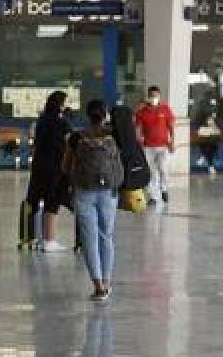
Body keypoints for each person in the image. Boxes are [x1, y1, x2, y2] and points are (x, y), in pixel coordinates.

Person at [65, 100, 124, 302]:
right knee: (106, 235)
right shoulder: (114, 135)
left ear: (87, 115)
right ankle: (107, 282)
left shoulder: (76, 137)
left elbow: (65, 166)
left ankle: (98, 286)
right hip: (109, 191)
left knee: (89, 239)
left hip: (84, 191)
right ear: (105, 115)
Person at [26, 92, 73, 252]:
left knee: (38, 200)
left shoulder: (42, 120)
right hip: (55, 168)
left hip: (39, 167)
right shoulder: (61, 123)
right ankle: (49, 240)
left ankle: (36, 239)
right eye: (65, 103)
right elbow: (69, 143)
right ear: (60, 105)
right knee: (53, 202)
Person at [135, 85, 176, 204]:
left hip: (163, 146)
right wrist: (139, 142)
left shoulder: (165, 109)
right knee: (151, 171)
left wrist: (172, 141)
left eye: (156, 96)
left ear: (160, 96)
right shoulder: (142, 112)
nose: (154, 98)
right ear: (148, 97)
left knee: (163, 169)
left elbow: (171, 127)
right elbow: (138, 128)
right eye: (152, 96)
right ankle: (152, 196)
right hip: (148, 147)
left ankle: (164, 190)